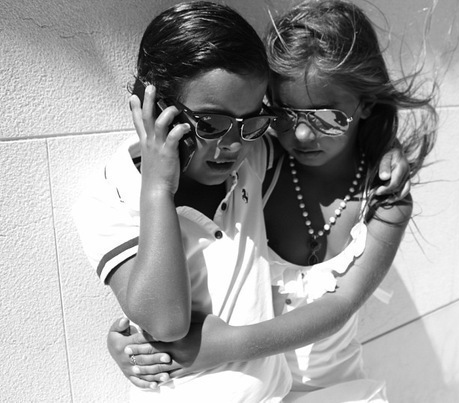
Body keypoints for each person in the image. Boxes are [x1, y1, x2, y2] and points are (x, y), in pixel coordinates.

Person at [74, 1, 408, 401]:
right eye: (211, 123)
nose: (232, 144)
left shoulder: (255, 158)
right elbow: (164, 322)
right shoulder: (112, 199)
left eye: (252, 121)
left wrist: (388, 148)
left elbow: (342, 302)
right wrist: (158, 188)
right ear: (153, 104)